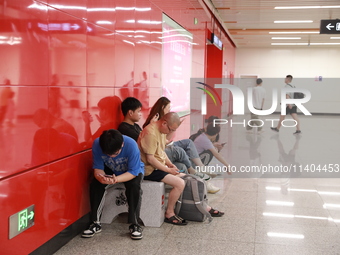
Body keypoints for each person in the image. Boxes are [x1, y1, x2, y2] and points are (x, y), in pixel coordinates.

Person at [138, 112, 224, 225]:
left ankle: (204, 206)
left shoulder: (160, 130)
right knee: (180, 183)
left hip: (158, 167)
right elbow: (150, 159)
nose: (170, 133)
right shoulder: (150, 133)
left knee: (191, 179)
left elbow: (161, 152)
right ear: (164, 123)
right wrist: (167, 169)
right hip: (149, 170)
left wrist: (169, 164)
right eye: (171, 130)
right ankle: (169, 213)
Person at [134, 96, 219, 193]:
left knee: (182, 164)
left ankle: (199, 180)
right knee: (179, 152)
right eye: (168, 108)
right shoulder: (152, 129)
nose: (170, 110)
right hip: (151, 168)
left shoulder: (162, 127)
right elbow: (151, 157)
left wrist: (170, 165)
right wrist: (168, 169)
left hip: (159, 161)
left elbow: (162, 148)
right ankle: (196, 173)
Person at [82, 129, 144, 240]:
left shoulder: (131, 145)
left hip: (130, 172)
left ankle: (135, 224)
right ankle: (95, 222)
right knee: (95, 184)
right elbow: (98, 169)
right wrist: (101, 177)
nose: (112, 156)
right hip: (110, 171)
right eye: (108, 154)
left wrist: (117, 179)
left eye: (115, 153)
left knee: (134, 186)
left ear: (122, 144)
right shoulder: (98, 144)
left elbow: (133, 172)